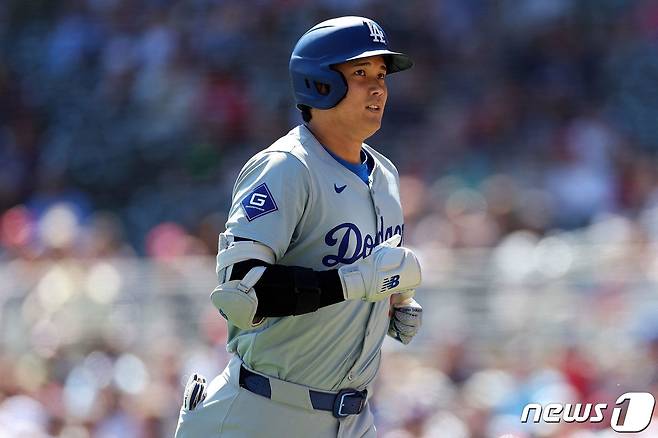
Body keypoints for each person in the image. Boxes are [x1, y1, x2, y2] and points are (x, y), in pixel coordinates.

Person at [175, 16, 423, 438]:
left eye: (382, 75)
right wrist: (351, 285)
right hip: (264, 412)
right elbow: (241, 293)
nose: (378, 87)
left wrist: (391, 305)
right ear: (320, 83)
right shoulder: (286, 168)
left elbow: (360, 275)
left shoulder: (385, 175)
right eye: (360, 73)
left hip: (353, 418)